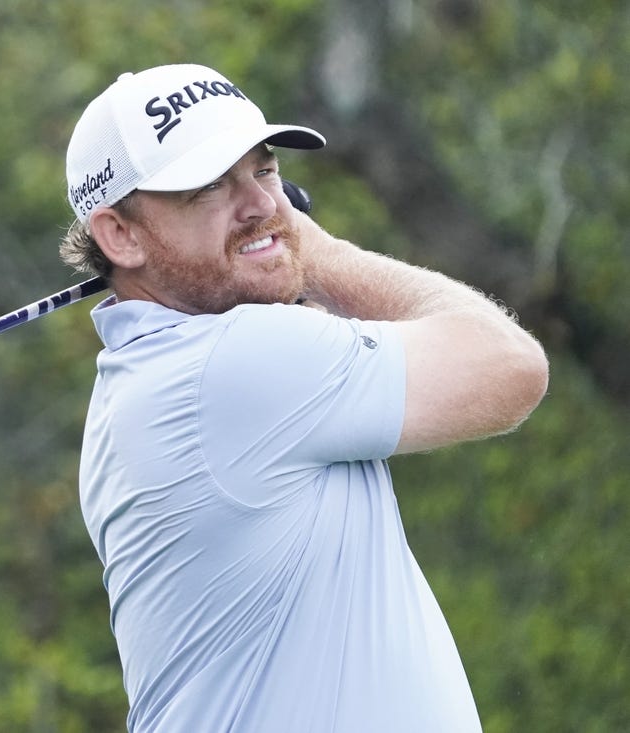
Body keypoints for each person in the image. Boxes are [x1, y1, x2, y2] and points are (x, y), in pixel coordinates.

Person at [59, 63, 548, 732]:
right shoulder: (230, 365)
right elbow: (510, 365)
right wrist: (316, 250)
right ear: (119, 234)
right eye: (208, 187)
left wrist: (270, 253)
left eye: (262, 171)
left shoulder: (152, 372)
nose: (264, 204)